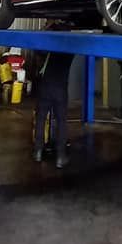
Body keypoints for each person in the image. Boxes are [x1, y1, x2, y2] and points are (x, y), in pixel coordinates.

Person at [33, 32, 73, 168]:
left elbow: (38, 49)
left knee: (41, 119)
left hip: (45, 86)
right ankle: (60, 157)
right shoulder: (70, 50)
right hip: (60, 90)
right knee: (61, 122)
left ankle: (38, 151)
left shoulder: (49, 48)